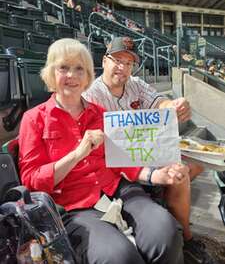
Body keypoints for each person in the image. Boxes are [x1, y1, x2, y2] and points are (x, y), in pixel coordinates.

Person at [18, 38, 184, 264]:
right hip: (74, 206)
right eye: (63, 68)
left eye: (79, 69)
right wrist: (78, 153)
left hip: (118, 190)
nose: (72, 75)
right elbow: (31, 181)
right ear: (50, 73)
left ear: (87, 75)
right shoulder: (33, 118)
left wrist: (155, 175)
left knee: (165, 231)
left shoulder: (100, 113)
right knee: (118, 256)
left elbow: (123, 159)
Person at [84, 36, 216, 264]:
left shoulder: (135, 84)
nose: (122, 67)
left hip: (144, 155)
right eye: (117, 60)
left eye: (128, 62)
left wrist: (174, 106)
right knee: (180, 177)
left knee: (184, 170)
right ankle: (177, 227)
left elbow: (160, 103)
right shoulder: (91, 95)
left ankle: (185, 236)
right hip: (114, 168)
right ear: (104, 61)